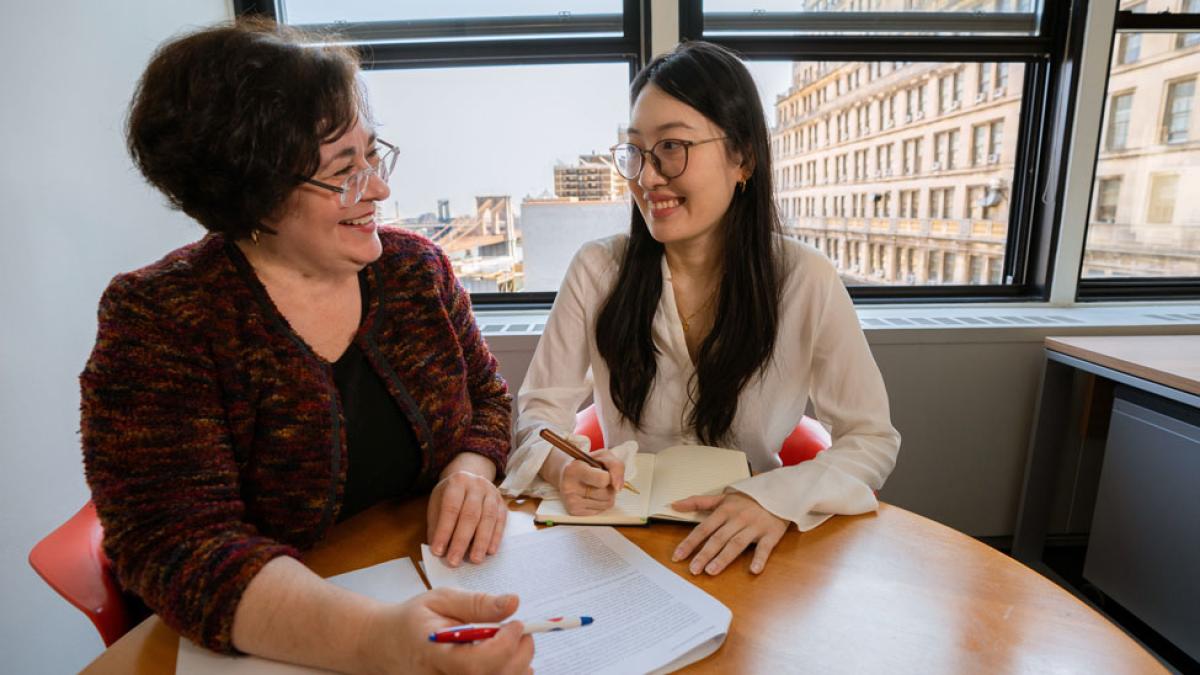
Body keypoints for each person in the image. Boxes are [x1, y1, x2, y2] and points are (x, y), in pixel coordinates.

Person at [81, 19, 532, 674]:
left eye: (374, 155)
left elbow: (488, 398)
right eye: (344, 170)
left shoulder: (414, 271)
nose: (377, 188)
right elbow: (182, 545)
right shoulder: (161, 319)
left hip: (418, 588)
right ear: (255, 193)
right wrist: (378, 639)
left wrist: (470, 468)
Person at [501, 41, 901, 578]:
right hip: (622, 541)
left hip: (752, 540)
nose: (647, 177)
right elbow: (539, 412)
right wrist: (564, 462)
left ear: (744, 159)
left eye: (672, 147)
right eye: (636, 152)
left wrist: (776, 498)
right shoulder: (598, 270)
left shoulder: (804, 279)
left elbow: (871, 438)